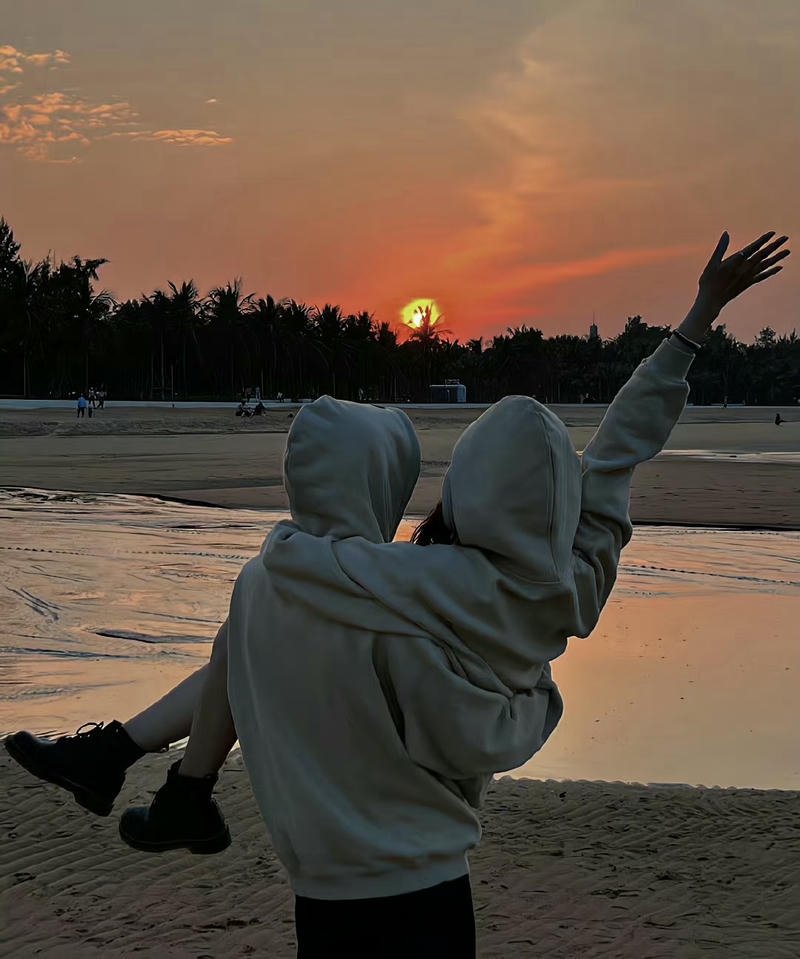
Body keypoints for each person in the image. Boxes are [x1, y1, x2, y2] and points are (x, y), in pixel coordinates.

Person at [4, 230, 789, 958]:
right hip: (430, 890)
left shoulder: (294, 585)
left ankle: (153, 772)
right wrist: (696, 319)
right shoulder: (541, 594)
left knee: (245, 628)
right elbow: (615, 458)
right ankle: (146, 772)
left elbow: (261, 622)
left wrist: (699, 312)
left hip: (322, 894)